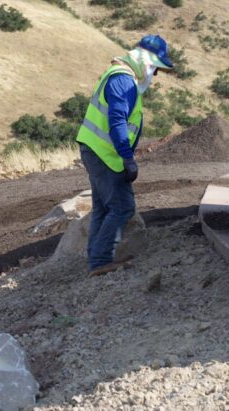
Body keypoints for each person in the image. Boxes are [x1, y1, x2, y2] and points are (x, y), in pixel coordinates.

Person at [76, 34, 173, 277]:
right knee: (122, 207)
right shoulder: (124, 81)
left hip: (96, 150)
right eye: (156, 69)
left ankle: (96, 259)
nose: (155, 75)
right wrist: (127, 157)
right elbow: (117, 122)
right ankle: (99, 261)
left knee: (103, 208)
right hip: (105, 154)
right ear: (147, 62)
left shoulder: (118, 75)